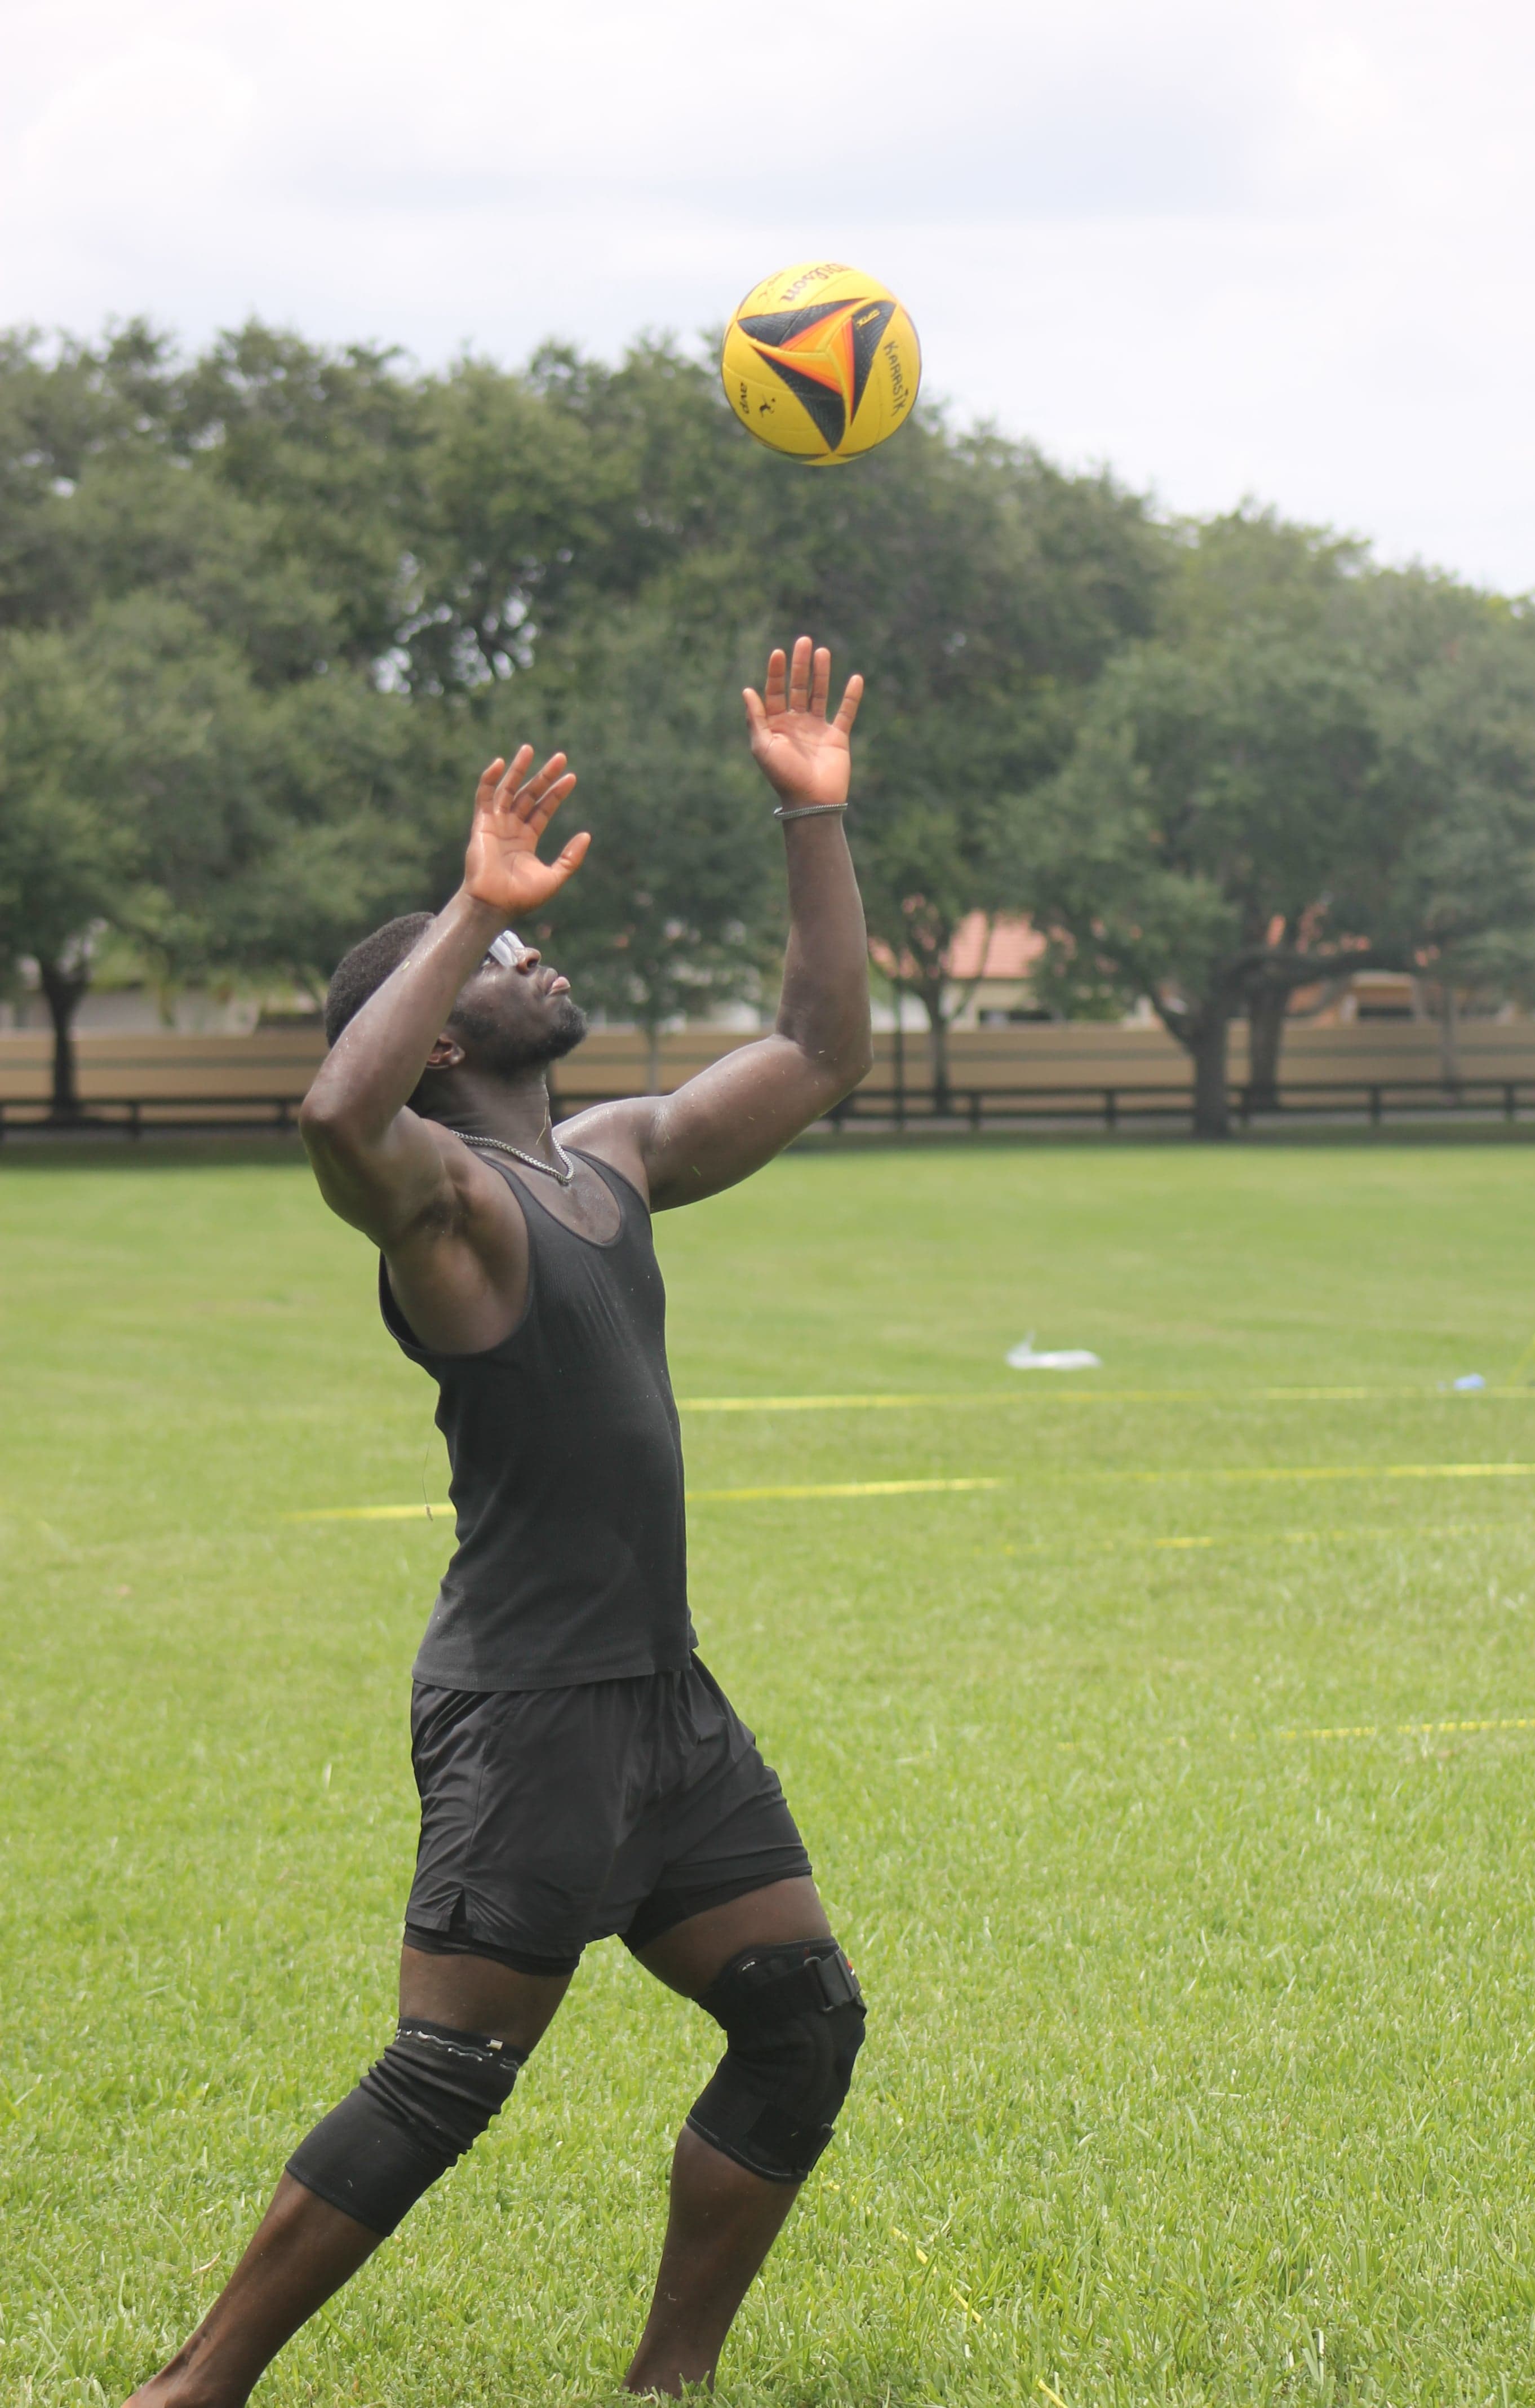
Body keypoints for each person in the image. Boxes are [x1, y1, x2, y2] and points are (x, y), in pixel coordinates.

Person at [125, 638, 873, 2406]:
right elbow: (335, 1111)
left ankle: (667, 2384)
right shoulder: (443, 1205)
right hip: (530, 1711)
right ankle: (192, 2392)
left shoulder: (606, 1158)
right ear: (455, 1026)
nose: (546, 951)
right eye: (511, 955)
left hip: (664, 1710)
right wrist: (466, 907)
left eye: (527, 934)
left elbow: (821, 1046)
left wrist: (808, 818)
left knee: (801, 2022)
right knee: (446, 2077)